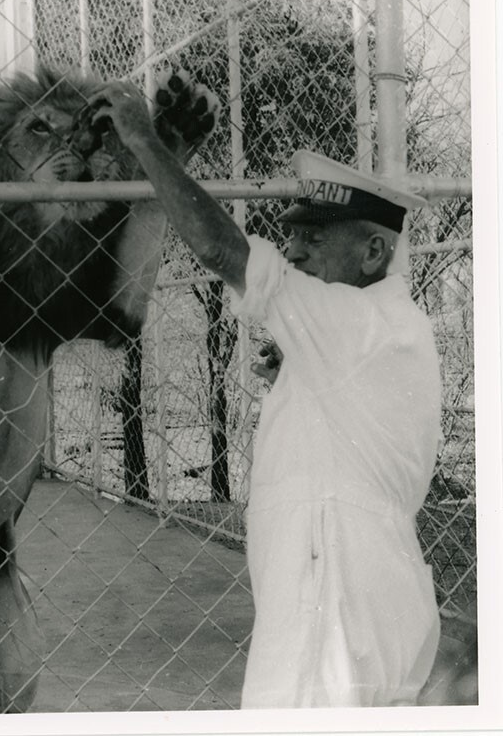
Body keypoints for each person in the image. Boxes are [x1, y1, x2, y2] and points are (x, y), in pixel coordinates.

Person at [92, 78, 443, 709]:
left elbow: (221, 249)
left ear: (372, 251)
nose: (295, 246)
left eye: (316, 234)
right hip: (331, 593)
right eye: (293, 232)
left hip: (337, 606)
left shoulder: (362, 326)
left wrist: (146, 141)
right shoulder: (371, 326)